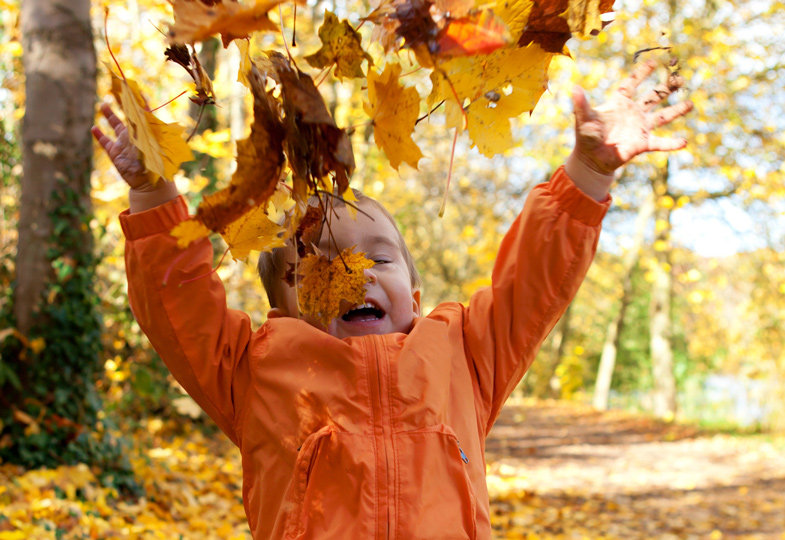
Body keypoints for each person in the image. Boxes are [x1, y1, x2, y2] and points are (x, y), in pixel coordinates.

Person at [92, 60, 692, 539]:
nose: (356, 277)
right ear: (281, 306)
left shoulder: (464, 353)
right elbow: (180, 308)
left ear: (415, 293)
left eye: (378, 259)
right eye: (318, 267)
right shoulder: (254, 372)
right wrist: (152, 191)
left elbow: (532, 284)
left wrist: (587, 172)